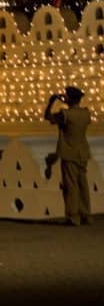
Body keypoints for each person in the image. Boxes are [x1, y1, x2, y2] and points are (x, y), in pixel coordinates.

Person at [43, 86, 92, 225]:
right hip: (83, 152)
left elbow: (47, 117)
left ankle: (73, 216)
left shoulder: (65, 114)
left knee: (71, 186)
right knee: (83, 184)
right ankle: (86, 214)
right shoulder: (85, 113)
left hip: (69, 152)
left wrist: (51, 102)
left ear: (69, 98)